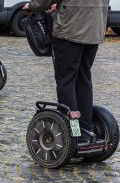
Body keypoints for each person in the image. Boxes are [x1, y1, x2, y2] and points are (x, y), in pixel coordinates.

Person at [23, 0, 109, 143]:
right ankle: (85, 129)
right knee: (83, 78)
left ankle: (73, 132)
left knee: (66, 81)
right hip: (94, 29)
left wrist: (32, 6)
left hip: (71, 30)